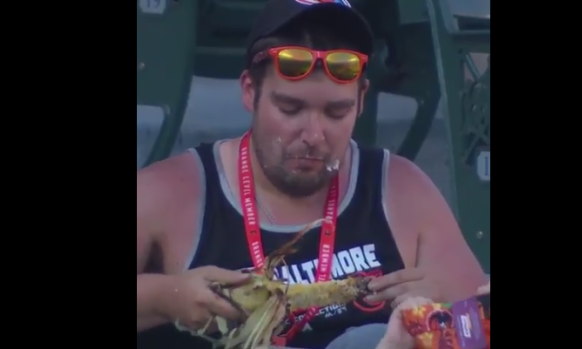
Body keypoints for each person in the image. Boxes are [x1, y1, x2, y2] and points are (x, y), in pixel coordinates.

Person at [136, 0, 487, 348]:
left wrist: (447, 318)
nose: (314, 136)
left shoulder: (400, 188)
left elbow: (479, 328)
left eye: (336, 112)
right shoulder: (172, 193)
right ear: (249, 91)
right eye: (290, 109)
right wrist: (167, 297)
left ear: (361, 100)